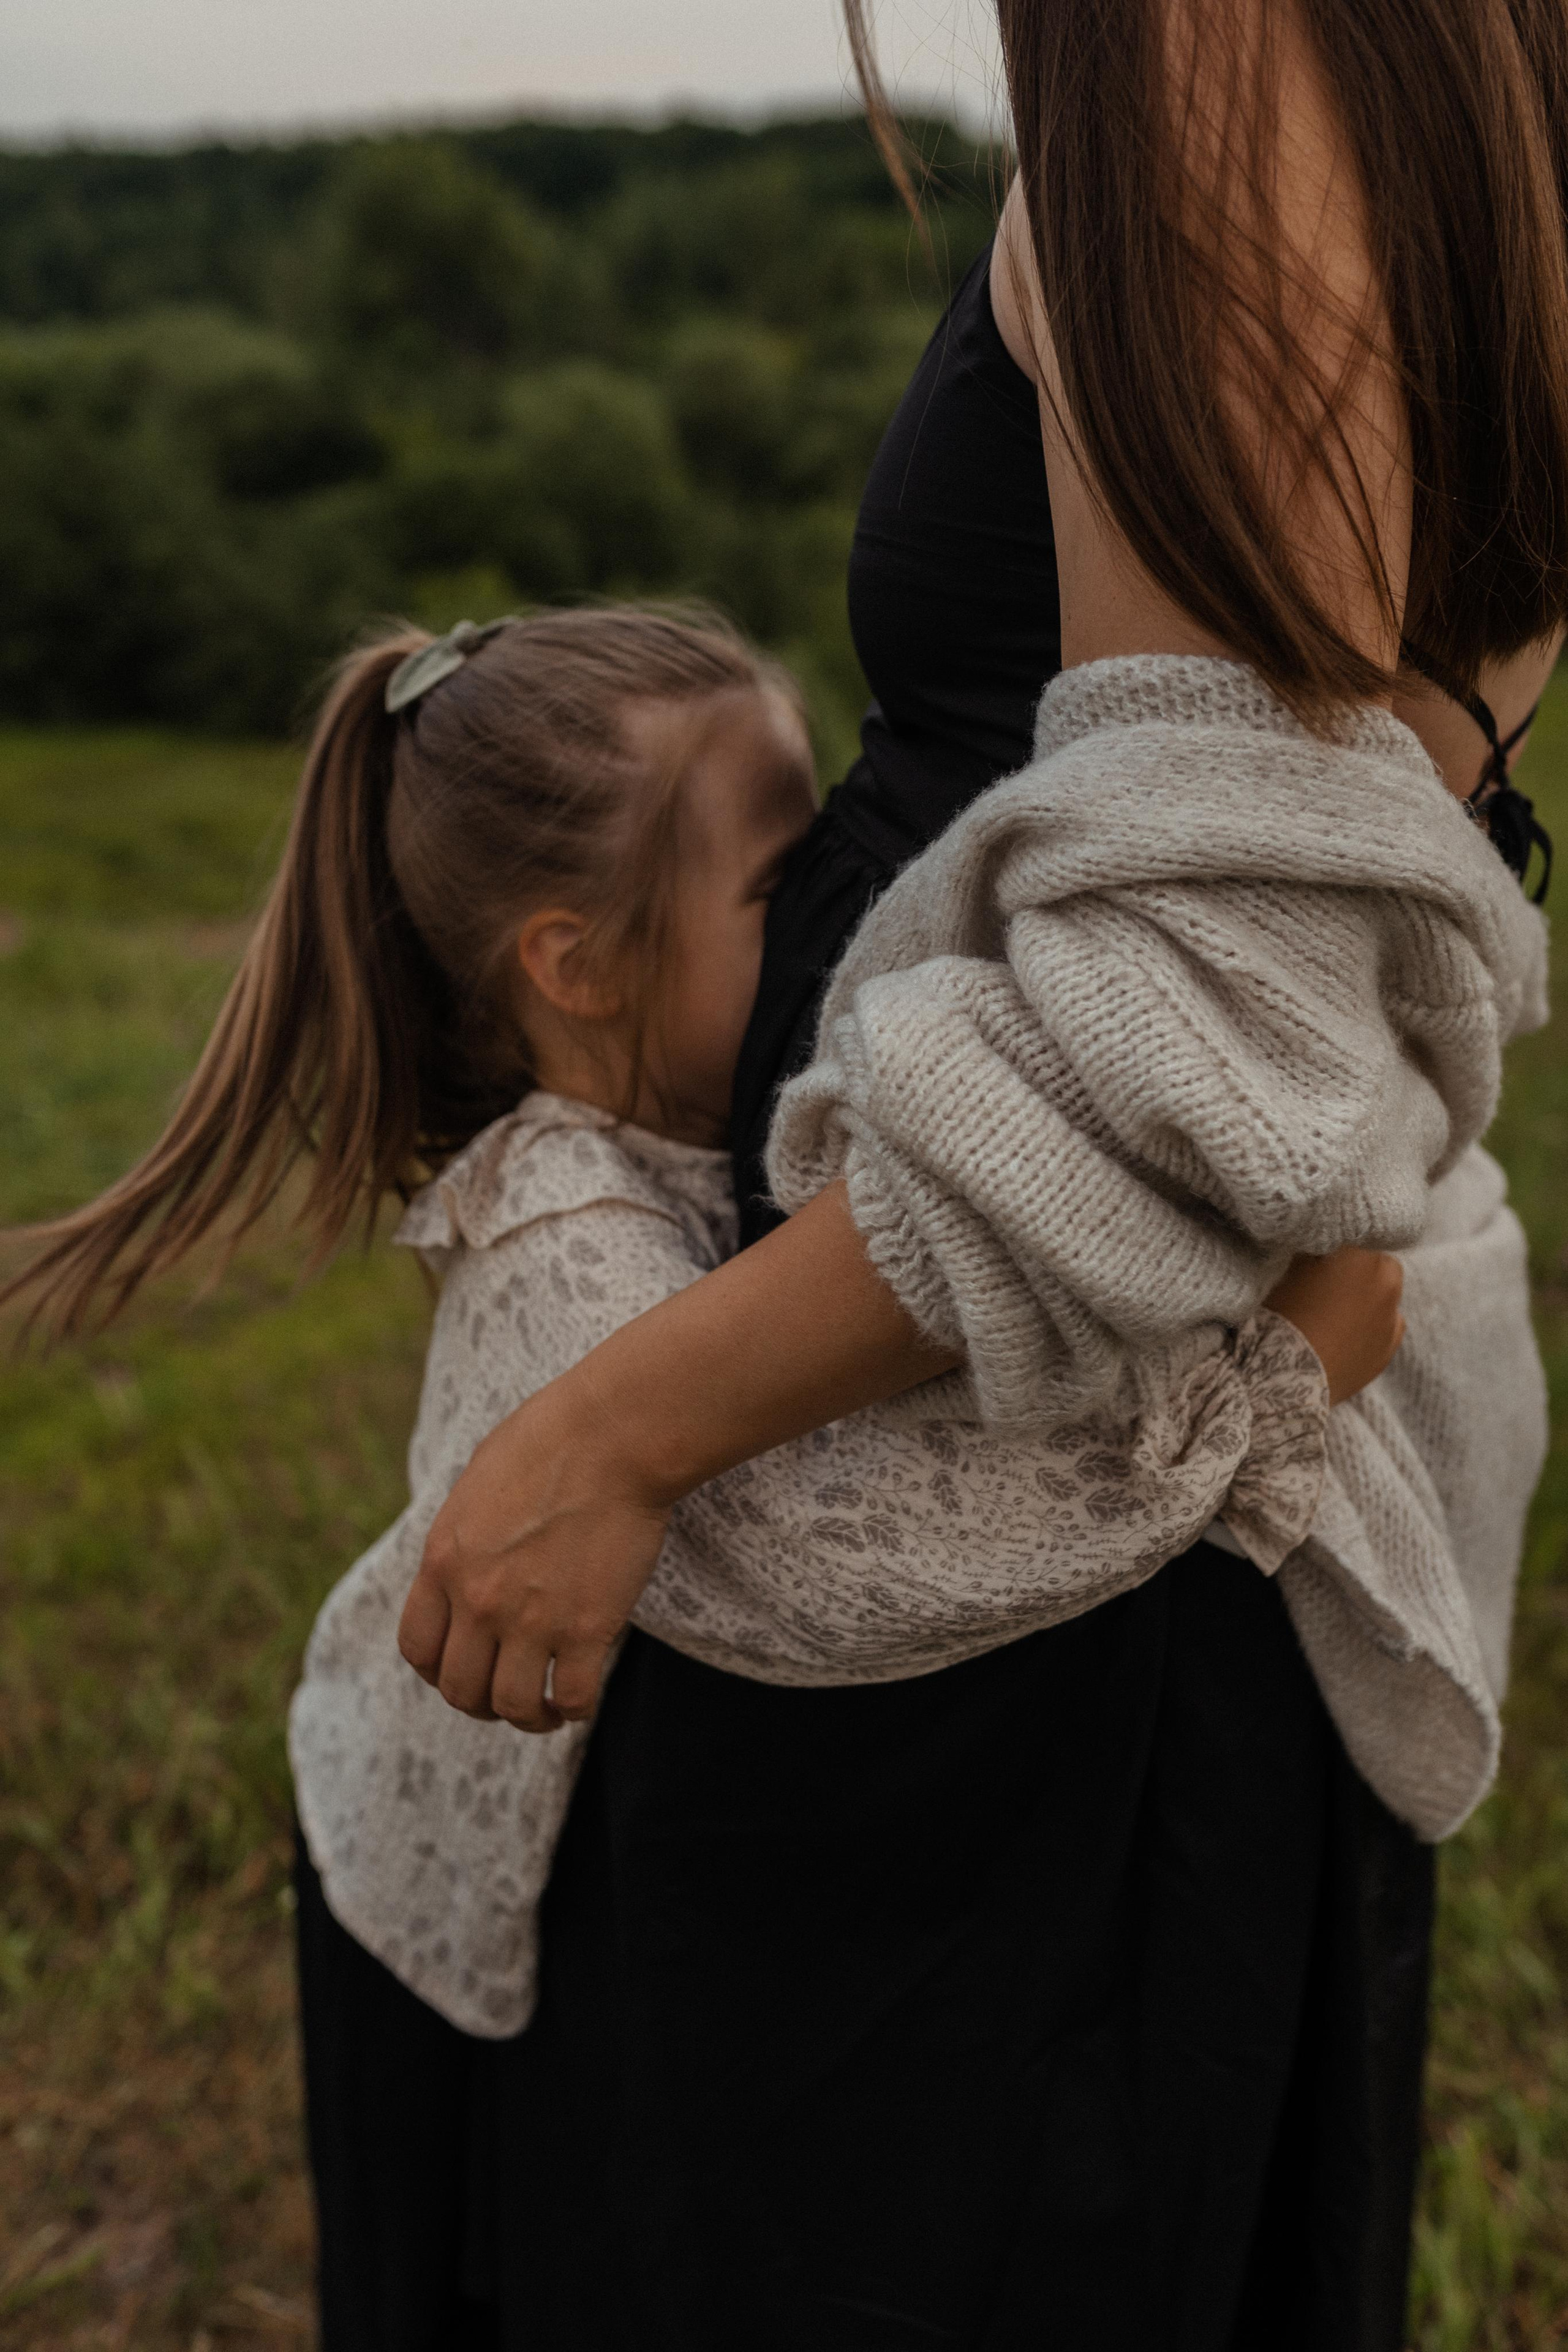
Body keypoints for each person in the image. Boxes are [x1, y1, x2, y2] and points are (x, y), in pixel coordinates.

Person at [391, 2, 1564, 2345]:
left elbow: (1198, 1044)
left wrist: (613, 1434)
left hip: (1020, 1642)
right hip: (1036, 1499)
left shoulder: (1224, 37)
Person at [6, 600, 1401, 2341]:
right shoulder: (559, 1233)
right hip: (435, 1898)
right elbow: (814, 1555)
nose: (852, 919)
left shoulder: (709, 1138)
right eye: (785, 885)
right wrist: (1263, 1390)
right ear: (574, 965)